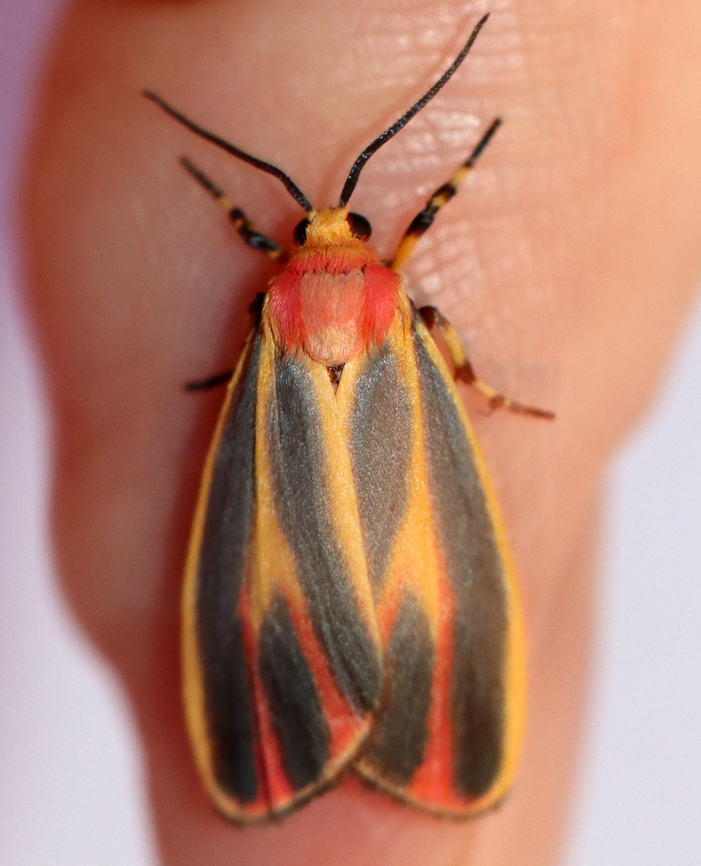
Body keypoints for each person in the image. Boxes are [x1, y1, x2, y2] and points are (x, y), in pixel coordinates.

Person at [21, 2, 701, 864]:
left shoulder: (268, 315)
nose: (329, 230)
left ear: (284, 248)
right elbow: (427, 251)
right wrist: (456, 201)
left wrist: (228, 208)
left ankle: (306, 737)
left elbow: (246, 230)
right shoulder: (385, 297)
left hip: (272, 399)